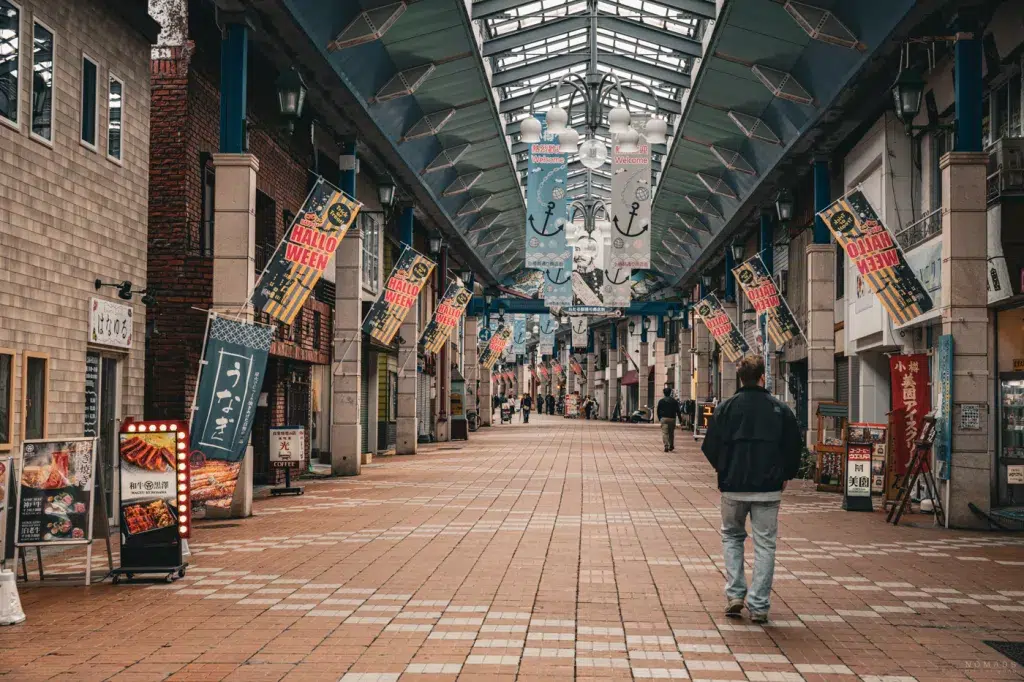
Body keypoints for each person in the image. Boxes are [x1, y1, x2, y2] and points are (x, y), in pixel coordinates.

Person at [701, 356, 801, 624]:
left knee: (732, 537)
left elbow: (710, 446)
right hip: (768, 488)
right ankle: (759, 605)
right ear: (762, 377)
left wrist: (724, 469)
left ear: (740, 377)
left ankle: (735, 594)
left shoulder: (726, 408)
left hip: (733, 487)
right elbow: (794, 447)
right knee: (765, 544)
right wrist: (785, 474)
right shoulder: (779, 409)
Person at [656, 387, 681, 452]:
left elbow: (658, 410)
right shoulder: (674, 401)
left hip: (664, 418)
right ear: (670, 393)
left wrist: (660, 418)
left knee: (665, 433)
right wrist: (680, 420)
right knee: (671, 433)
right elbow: (678, 411)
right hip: (672, 418)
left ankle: (666, 445)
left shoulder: (661, 401)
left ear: (664, 393)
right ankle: (671, 446)